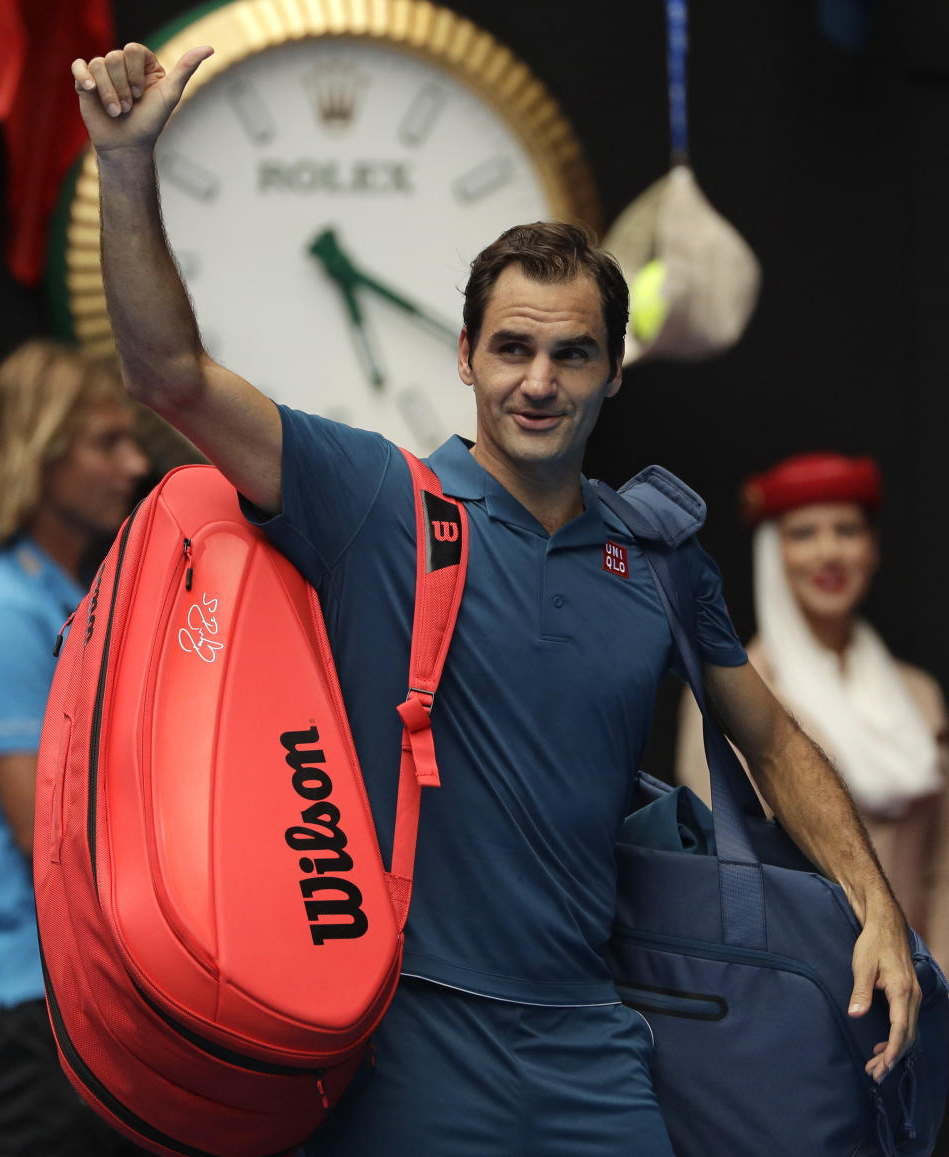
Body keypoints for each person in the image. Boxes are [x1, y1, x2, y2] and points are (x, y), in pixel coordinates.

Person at [70, 43, 920, 1155]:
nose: (539, 379)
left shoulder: (659, 554)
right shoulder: (378, 499)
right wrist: (127, 166)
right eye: (513, 347)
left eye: (573, 354)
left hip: (595, 1041)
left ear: (615, 369)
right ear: (466, 356)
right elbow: (169, 374)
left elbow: (772, 733)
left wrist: (876, 911)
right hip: (402, 1043)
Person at [675, 452, 949, 969]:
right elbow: (721, 855)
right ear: (771, 554)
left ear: (873, 549)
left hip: (924, 975)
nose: (829, 553)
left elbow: (943, 860)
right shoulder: (738, 690)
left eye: (847, 531)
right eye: (803, 534)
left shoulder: (919, 695)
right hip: (803, 979)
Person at [0, 338, 150, 1155]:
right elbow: (41, 832)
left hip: (75, 1001)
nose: (132, 465)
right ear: (42, 452)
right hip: (26, 1005)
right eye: (105, 442)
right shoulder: (6, 607)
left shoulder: (73, 599)